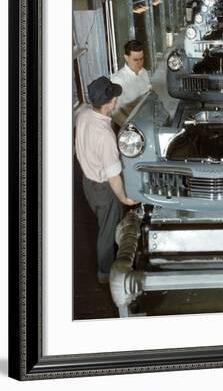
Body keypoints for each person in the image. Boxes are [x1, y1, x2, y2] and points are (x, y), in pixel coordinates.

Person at [75, 76, 138, 283]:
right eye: (114, 98)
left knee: (104, 225)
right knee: (107, 231)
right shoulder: (105, 136)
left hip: (87, 183)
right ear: (109, 103)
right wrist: (124, 198)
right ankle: (104, 274)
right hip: (103, 189)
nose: (116, 101)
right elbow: (113, 175)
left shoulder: (83, 114)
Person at [111, 40, 152, 126]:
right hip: (128, 126)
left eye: (141, 59)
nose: (139, 63)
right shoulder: (118, 80)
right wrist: (131, 127)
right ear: (126, 57)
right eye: (135, 60)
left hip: (145, 120)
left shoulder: (144, 72)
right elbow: (114, 113)